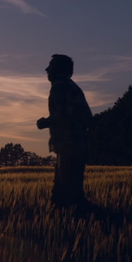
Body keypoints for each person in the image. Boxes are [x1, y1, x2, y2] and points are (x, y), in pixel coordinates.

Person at [37, 54, 93, 208]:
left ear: (59, 69)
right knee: (71, 194)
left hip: (68, 144)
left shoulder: (60, 86)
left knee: (65, 197)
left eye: (51, 66)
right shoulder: (74, 87)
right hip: (79, 145)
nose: (47, 70)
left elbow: (63, 116)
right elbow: (88, 118)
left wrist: (44, 122)